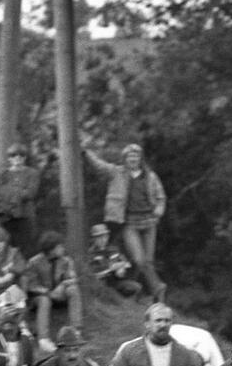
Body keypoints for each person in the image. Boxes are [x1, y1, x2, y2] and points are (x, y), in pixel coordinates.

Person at [83, 142, 167, 302]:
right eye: (129, 156)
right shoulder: (117, 172)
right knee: (138, 259)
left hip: (149, 222)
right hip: (129, 222)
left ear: (140, 158)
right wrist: (86, 153)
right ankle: (158, 288)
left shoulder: (150, 176)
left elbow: (161, 197)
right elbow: (100, 166)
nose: (133, 159)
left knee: (148, 262)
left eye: (135, 155)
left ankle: (147, 296)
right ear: (125, 159)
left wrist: (158, 210)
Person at [25, 231, 84, 352]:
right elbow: (30, 285)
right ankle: (43, 339)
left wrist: (64, 284)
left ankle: (75, 331)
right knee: (44, 300)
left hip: (58, 294)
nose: (62, 248)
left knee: (73, 290)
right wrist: (47, 292)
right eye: (59, 246)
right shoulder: (34, 262)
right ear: (51, 249)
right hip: (39, 298)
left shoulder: (66, 261)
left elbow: (73, 279)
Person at [0, 143, 41, 255]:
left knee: (26, 248)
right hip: (7, 217)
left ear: (25, 157)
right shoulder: (4, 174)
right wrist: (19, 191)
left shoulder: (32, 173)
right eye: (13, 155)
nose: (17, 158)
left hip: (25, 215)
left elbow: (31, 193)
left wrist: (10, 192)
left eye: (21, 155)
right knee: (7, 247)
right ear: (9, 158)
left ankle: (23, 271)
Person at [88, 223, 142, 298]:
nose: (102, 240)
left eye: (104, 237)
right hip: (101, 283)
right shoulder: (91, 253)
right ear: (94, 239)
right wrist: (110, 268)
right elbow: (93, 272)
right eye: (99, 237)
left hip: (115, 282)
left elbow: (124, 262)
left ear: (108, 237)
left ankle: (120, 300)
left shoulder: (113, 249)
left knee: (136, 286)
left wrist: (121, 269)